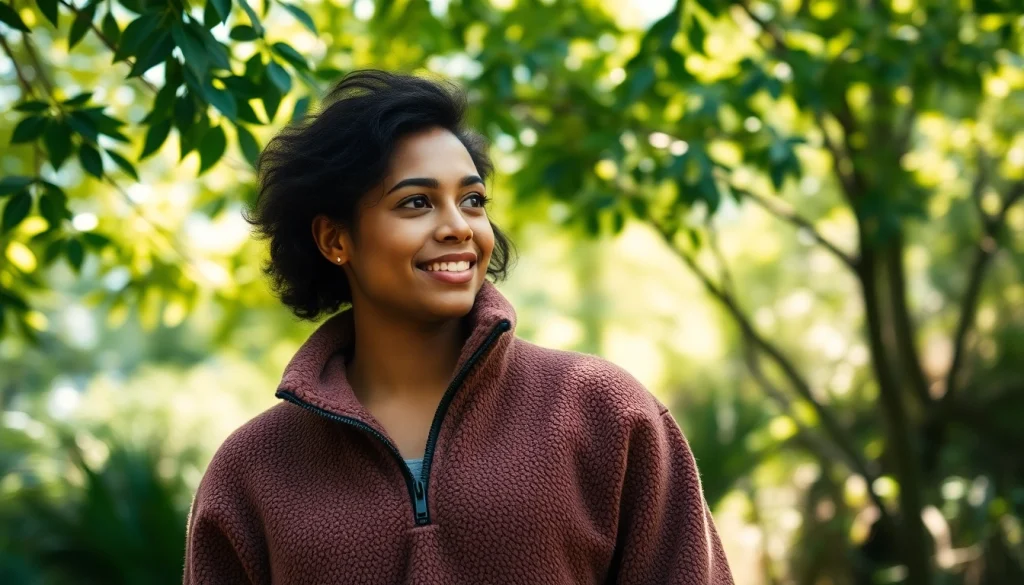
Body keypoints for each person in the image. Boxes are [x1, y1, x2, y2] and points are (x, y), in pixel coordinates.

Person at [182, 69, 733, 585]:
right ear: (334, 240)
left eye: (472, 201)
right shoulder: (251, 471)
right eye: (417, 202)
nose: (458, 228)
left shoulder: (603, 412)